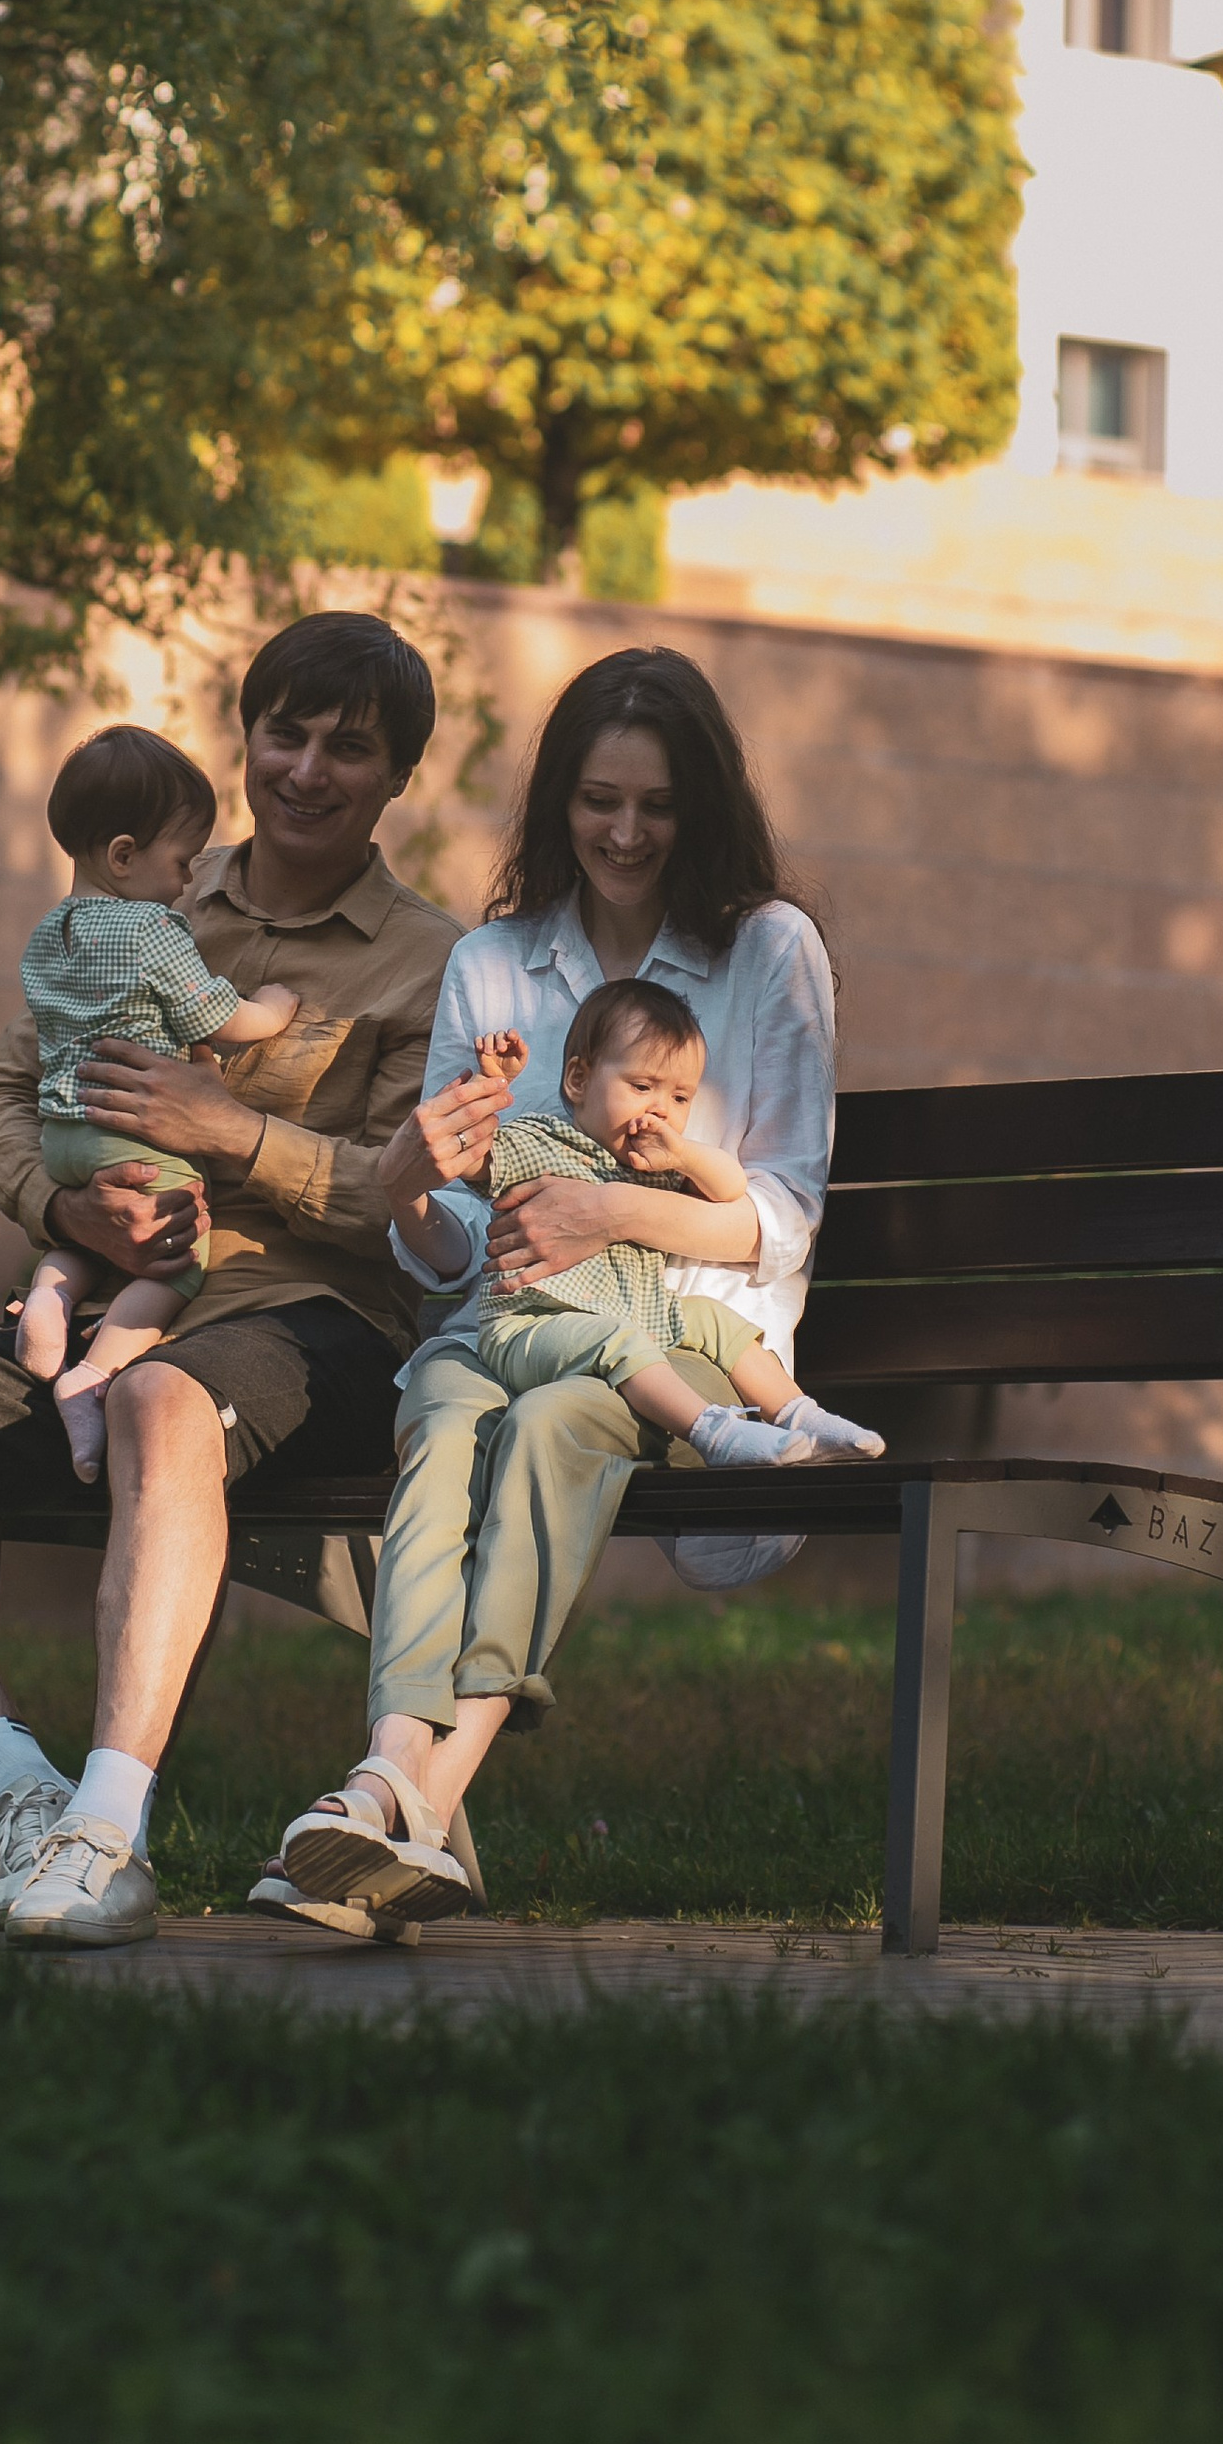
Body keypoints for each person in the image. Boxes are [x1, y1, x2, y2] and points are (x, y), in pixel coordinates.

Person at [0, 611, 499, 1950]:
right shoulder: (137, 898)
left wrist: (235, 1137)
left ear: (398, 780)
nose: (307, 770)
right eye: (286, 733)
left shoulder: (434, 962)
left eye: (350, 749)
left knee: (164, 1408)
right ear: (248, 737)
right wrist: (61, 1206)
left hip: (309, 1326)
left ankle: (112, 1835)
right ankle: (26, 1794)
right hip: (115, 1312)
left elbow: (418, 1210)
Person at [264, 644, 840, 1930]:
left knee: (553, 1426)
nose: (624, 833)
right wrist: (414, 1196)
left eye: (655, 804)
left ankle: (397, 1792)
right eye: (597, 801)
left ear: (701, 808)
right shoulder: (492, 964)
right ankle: (392, 1807)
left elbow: (787, 1217)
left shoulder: (766, 952)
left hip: (684, 1339)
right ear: (557, 804)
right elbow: (455, 1235)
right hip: (509, 1328)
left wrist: (608, 1210)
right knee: (440, 1420)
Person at [12, 724, 300, 1478]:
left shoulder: (50, 934)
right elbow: (216, 1018)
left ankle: (47, 1301)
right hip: (134, 1137)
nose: (186, 881)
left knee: (79, 1238)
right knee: (174, 1263)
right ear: (123, 857)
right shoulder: (152, 928)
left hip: (65, 1135)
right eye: (180, 861)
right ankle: (93, 1373)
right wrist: (271, 1007)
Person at [469, 975, 881, 1464]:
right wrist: (490, 1084)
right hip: (533, 1324)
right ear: (578, 1080)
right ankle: (715, 1435)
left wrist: (683, 1155)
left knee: (714, 1319)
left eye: (681, 1098)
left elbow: (730, 1189)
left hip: (633, 1314)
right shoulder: (537, 1143)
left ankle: (801, 1416)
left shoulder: (653, 1168)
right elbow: (470, 1156)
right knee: (620, 1340)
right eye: (642, 1086)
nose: (660, 1109)